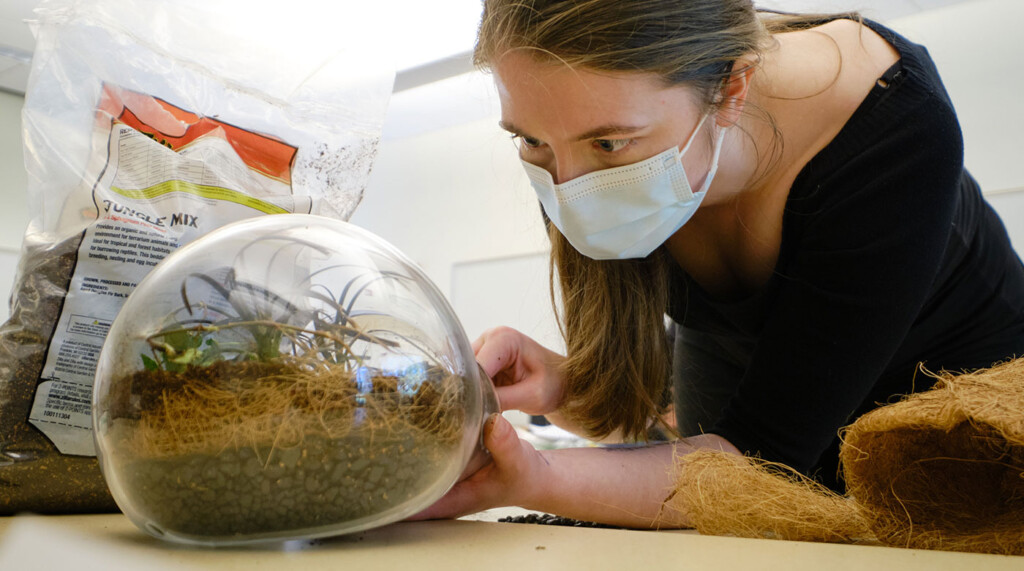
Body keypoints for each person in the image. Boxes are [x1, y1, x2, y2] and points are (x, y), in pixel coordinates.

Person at [414, 0, 1024, 528]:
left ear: (732, 88)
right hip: (745, 423)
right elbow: (712, 451)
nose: (567, 188)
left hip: (957, 417)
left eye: (609, 144)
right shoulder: (576, 130)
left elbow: (762, 463)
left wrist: (533, 477)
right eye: (529, 140)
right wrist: (563, 386)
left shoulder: (895, 127)